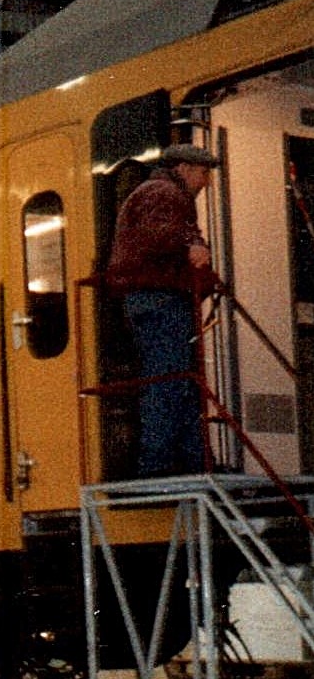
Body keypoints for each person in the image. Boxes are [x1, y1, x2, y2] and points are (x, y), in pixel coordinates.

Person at [106, 143, 223, 478]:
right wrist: (192, 245)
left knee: (181, 383)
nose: (206, 182)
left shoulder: (163, 195)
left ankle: (196, 462)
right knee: (169, 381)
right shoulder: (163, 193)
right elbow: (158, 233)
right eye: (203, 173)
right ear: (184, 168)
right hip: (159, 299)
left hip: (159, 298)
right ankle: (156, 464)